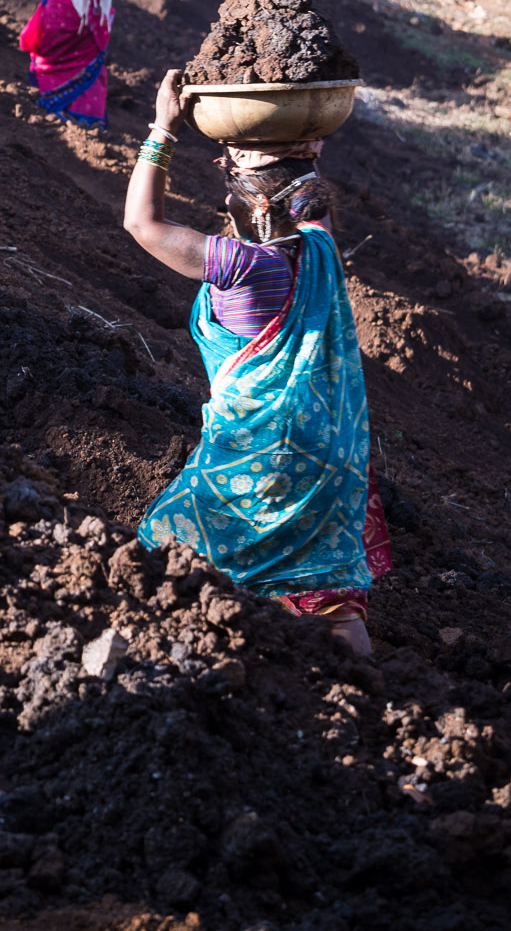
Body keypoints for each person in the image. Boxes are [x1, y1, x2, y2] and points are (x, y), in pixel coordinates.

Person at [124, 71, 391, 656]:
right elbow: (305, 193)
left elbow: (142, 224)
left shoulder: (244, 266)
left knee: (160, 552)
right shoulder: (317, 247)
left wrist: (163, 128)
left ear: (260, 201)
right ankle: (367, 698)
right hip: (322, 447)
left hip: (258, 451)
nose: (224, 180)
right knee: (328, 599)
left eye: (232, 175)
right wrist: (293, 147)